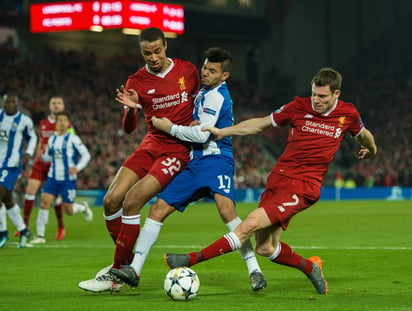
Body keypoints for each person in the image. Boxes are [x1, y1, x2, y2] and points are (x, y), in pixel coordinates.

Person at [164, 67, 378, 295]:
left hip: (305, 186)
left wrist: (371, 149)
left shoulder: (348, 114)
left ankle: (190, 259)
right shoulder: (298, 107)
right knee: (265, 247)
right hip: (279, 178)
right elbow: (261, 124)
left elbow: (363, 134)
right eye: (314, 94)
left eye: (322, 96)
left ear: (336, 94)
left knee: (250, 222)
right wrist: (223, 131)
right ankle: (310, 266)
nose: (316, 100)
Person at [109, 47, 267, 291]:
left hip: (216, 160)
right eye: (204, 67)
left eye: (212, 70)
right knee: (158, 210)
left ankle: (254, 269)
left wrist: (169, 127)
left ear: (224, 76)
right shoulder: (202, 91)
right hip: (194, 163)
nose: (204, 73)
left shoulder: (217, 96)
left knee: (227, 213)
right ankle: (134, 269)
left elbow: (203, 135)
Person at [78, 27, 199, 292]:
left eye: (157, 51)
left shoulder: (188, 71)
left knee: (132, 201)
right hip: (150, 144)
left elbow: (202, 101)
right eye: (147, 53)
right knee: (111, 201)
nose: (153, 57)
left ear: (165, 46)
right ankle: (125, 263)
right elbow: (129, 127)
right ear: (141, 52)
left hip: (176, 150)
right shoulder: (136, 81)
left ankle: (116, 274)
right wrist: (132, 110)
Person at [29, 111, 92, 244]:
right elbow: (48, 157)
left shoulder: (73, 139)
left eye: (64, 120)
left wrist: (78, 167)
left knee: (68, 210)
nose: (62, 123)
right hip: (52, 178)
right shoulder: (52, 139)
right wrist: (41, 154)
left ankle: (83, 207)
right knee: (44, 203)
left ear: (68, 124)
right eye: (59, 120)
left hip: (68, 179)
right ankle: (40, 236)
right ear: (56, 124)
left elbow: (86, 155)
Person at [19, 96, 71, 241]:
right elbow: (41, 142)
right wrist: (35, 159)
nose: (56, 105)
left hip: (56, 165)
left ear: (63, 106)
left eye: (59, 103)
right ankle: (24, 225)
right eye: (53, 103)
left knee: (54, 198)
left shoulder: (67, 125)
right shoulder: (43, 123)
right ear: (49, 107)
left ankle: (61, 226)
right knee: (30, 191)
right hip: (41, 163)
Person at [0, 93, 37, 248]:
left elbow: (33, 137)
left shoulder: (24, 121)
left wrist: (28, 153)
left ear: (17, 103)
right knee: (7, 199)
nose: (9, 104)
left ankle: (2, 232)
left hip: (12, 164)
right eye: (7, 101)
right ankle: (23, 230)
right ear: (3, 103)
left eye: (12, 102)